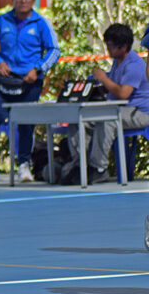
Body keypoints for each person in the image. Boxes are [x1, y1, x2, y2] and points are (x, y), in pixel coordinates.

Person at [0, 0, 60, 184]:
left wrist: (38, 68)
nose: (23, 1)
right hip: (5, 78)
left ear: (33, 0)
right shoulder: (2, 20)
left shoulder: (41, 23)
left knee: (25, 123)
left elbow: (54, 50)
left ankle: (24, 164)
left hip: (29, 81)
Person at [61, 23, 149, 184]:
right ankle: (81, 163)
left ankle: (99, 168)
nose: (107, 50)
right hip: (119, 109)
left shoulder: (134, 65)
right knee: (78, 119)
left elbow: (123, 94)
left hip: (139, 112)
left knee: (107, 120)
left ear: (123, 47)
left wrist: (104, 79)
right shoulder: (117, 62)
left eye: (110, 46)